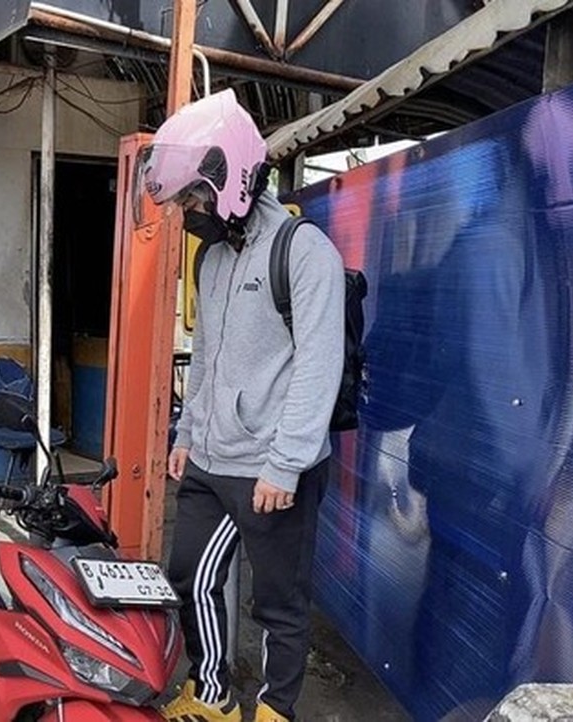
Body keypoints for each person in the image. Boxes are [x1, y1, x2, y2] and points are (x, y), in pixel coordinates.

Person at [138, 89, 345, 722]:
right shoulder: (212, 259)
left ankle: (275, 711)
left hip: (272, 466)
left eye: (192, 200)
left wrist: (286, 464)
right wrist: (185, 432)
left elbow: (319, 364)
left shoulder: (304, 252)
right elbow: (207, 356)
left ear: (232, 177)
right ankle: (213, 695)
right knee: (188, 580)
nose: (187, 215)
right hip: (211, 456)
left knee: (278, 605)